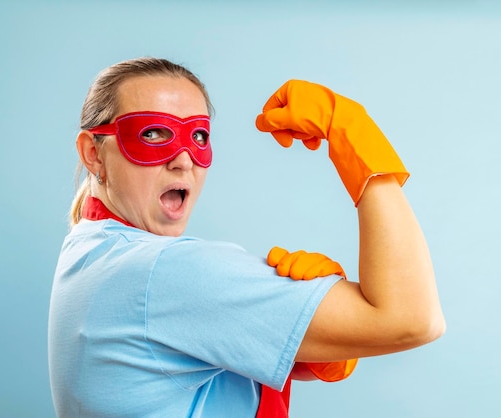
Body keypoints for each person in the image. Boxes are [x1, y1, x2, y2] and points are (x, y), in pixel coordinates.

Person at [48, 57, 445, 418]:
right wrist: (353, 132)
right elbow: (413, 319)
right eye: (153, 134)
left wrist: (320, 337)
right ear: (93, 153)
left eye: (199, 137)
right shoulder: (161, 271)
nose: (184, 158)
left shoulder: (91, 250)